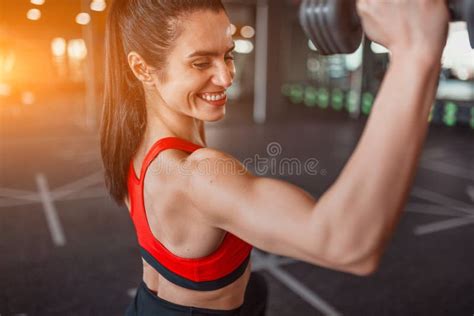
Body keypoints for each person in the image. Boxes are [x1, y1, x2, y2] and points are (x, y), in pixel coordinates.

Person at [99, 0, 449, 315]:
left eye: (228, 54)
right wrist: (414, 51)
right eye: (201, 61)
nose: (226, 76)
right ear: (143, 69)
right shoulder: (198, 175)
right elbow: (346, 244)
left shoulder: (133, 143)